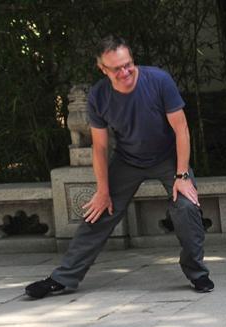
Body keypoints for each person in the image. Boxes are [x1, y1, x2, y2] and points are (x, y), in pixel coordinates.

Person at [24, 35, 212, 299]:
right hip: (127, 160)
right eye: (117, 68)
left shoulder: (159, 80)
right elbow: (100, 148)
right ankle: (62, 278)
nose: (125, 72)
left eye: (128, 64)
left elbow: (181, 129)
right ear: (103, 69)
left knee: (186, 206)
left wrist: (182, 175)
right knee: (99, 211)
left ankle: (198, 273)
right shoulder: (98, 97)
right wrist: (103, 190)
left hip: (168, 158)